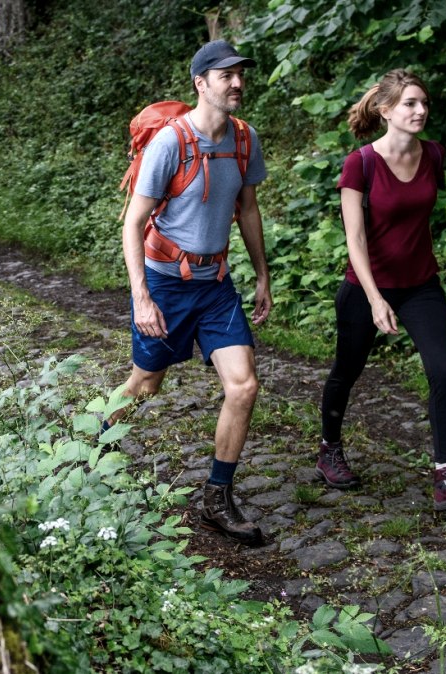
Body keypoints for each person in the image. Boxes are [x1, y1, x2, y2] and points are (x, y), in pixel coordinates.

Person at [110, 40, 274, 545]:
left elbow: (246, 209)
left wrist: (263, 273)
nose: (237, 83)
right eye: (225, 76)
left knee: (243, 386)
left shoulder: (244, 140)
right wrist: (141, 296)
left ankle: (216, 498)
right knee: (146, 385)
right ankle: (94, 445)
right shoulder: (170, 144)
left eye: (240, 75)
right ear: (201, 83)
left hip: (216, 286)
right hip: (164, 284)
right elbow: (133, 222)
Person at [314, 69, 446, 512]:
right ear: (386, 110)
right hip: (366, 287)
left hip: (421, 286)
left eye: (424, 103)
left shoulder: (433, 154)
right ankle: (329, 448)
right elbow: (354, 240)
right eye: (410, 103)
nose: (420, 111)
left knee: (444, 368)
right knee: (347, 369)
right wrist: (376, 299)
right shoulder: (362, 163)